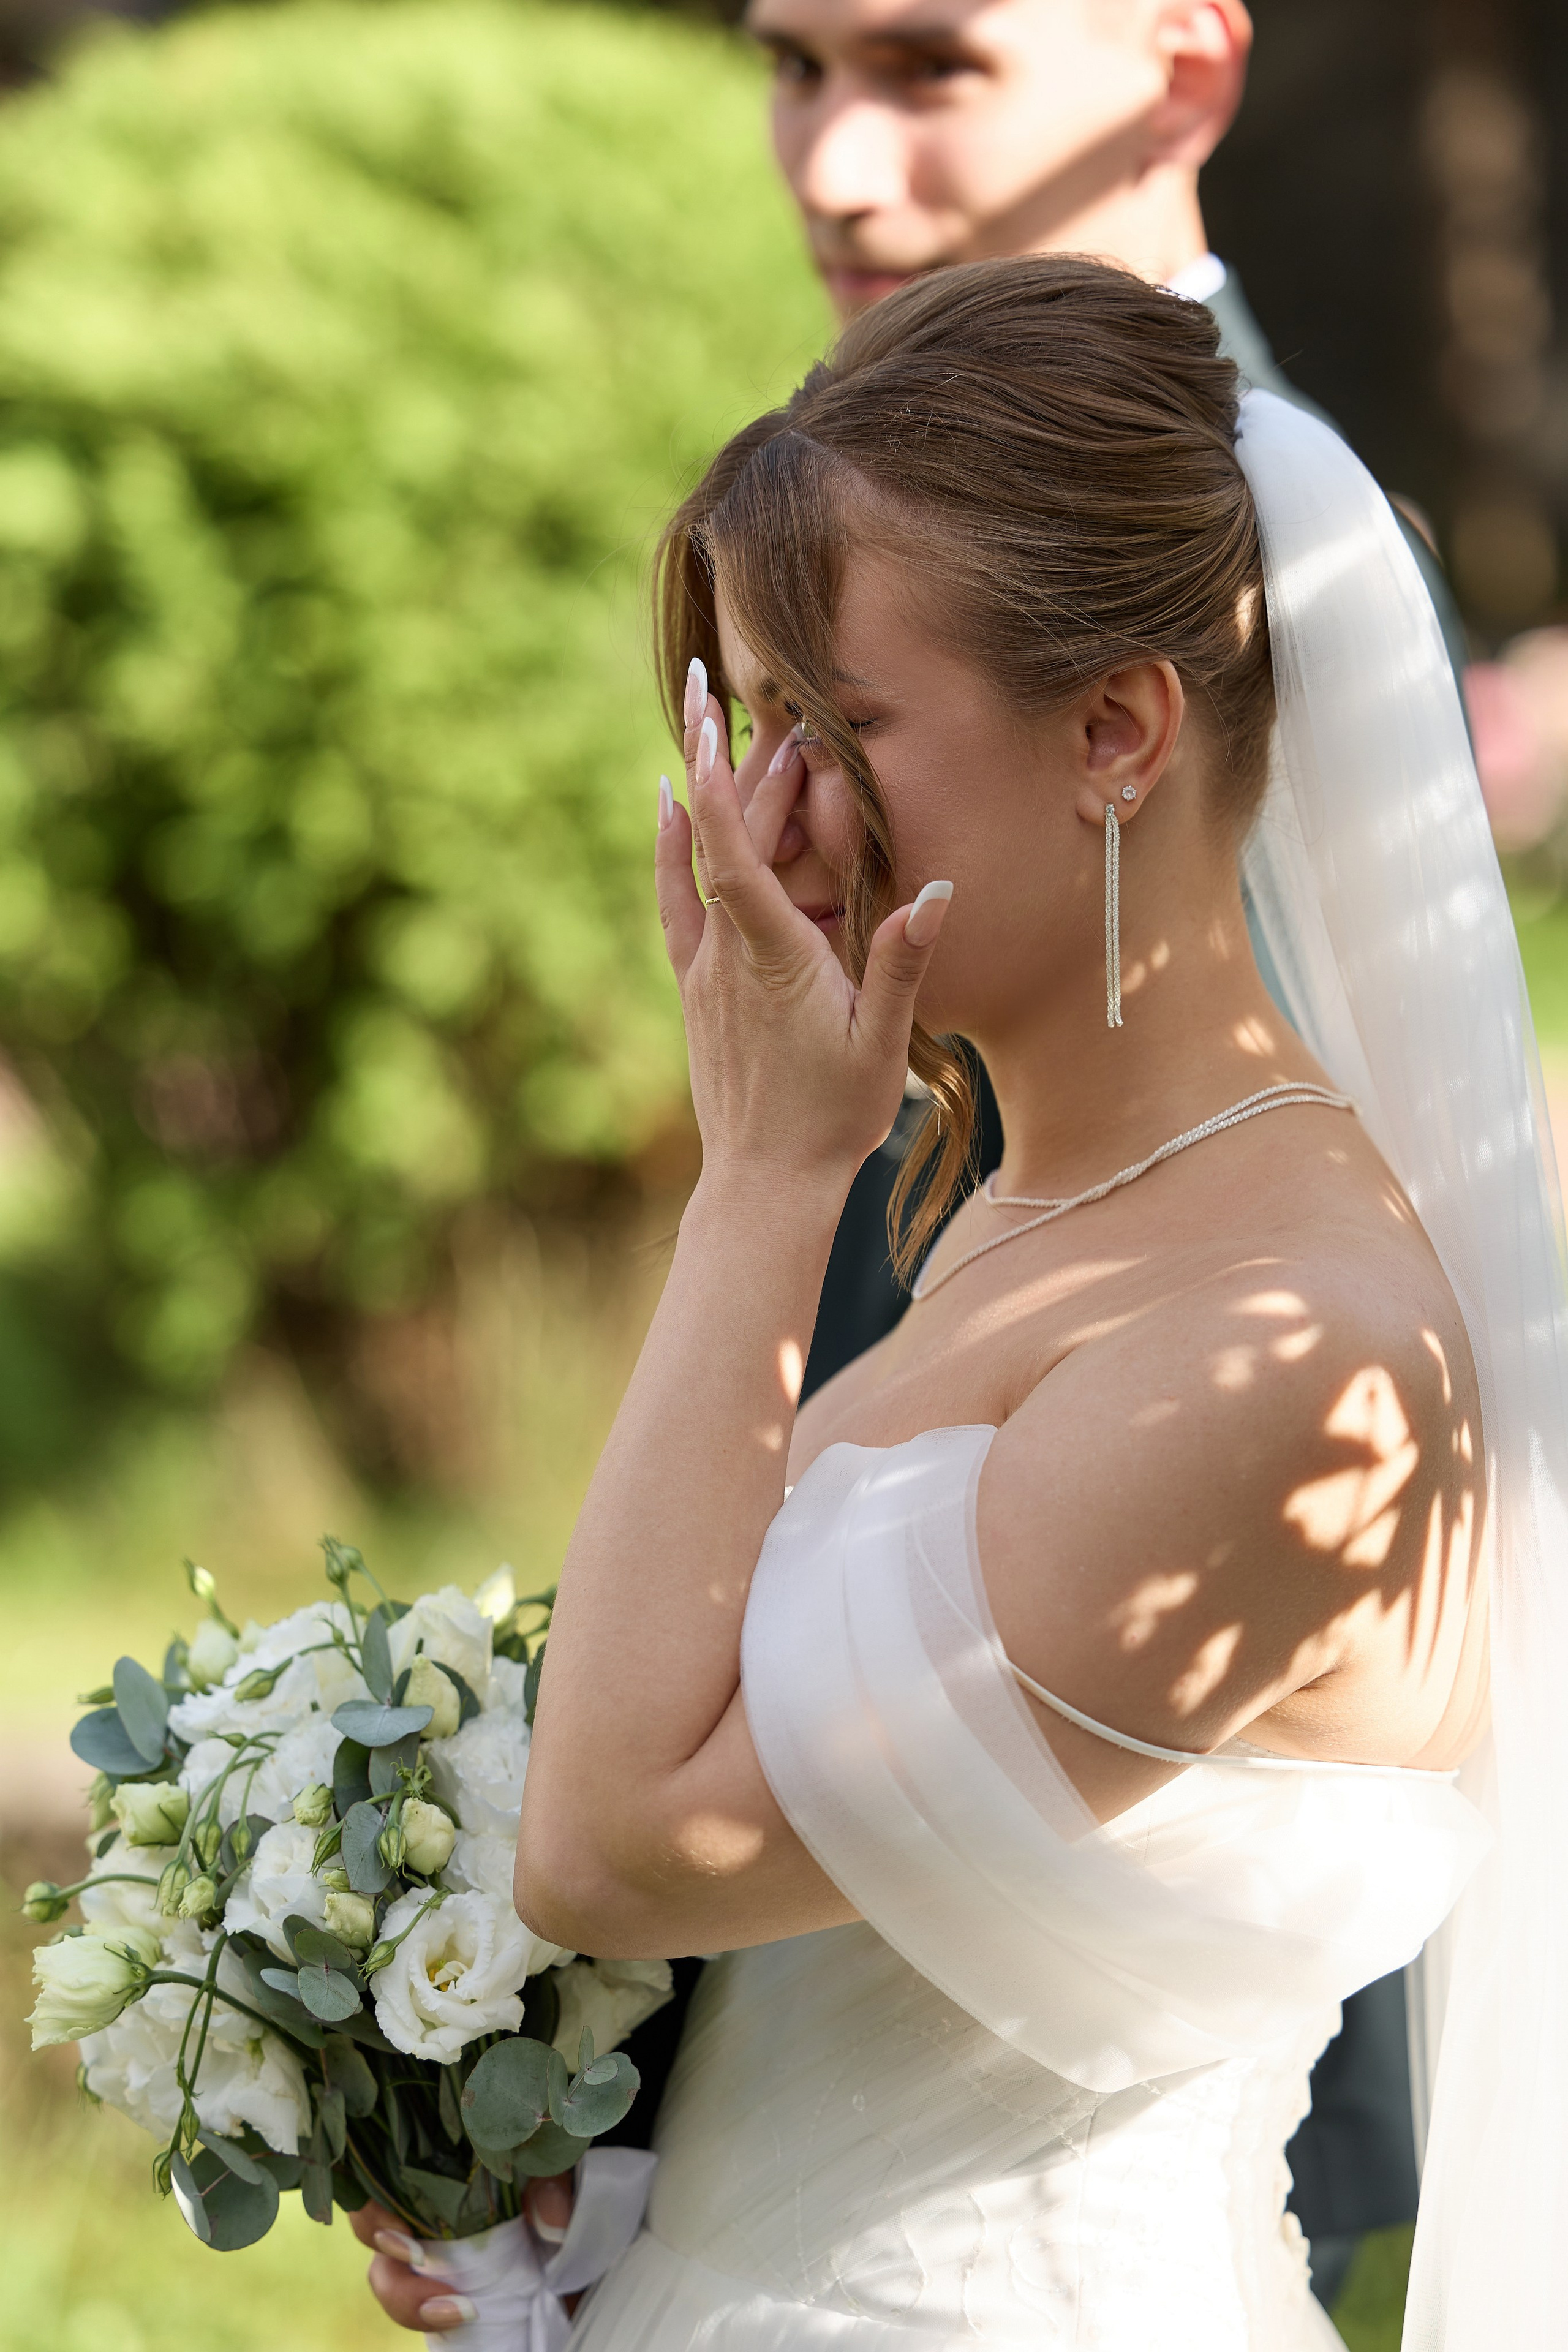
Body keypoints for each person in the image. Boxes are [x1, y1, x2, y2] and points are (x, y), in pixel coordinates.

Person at [358, 4, 1474, 2331]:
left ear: (1116, 729)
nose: (780, 828)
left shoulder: (1299, 1348)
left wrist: (758, 1182)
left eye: (845, 725)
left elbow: (616, 1848)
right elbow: (879, 1958)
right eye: (755, 728)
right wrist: (587, 2213)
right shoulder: (1014, 1194)